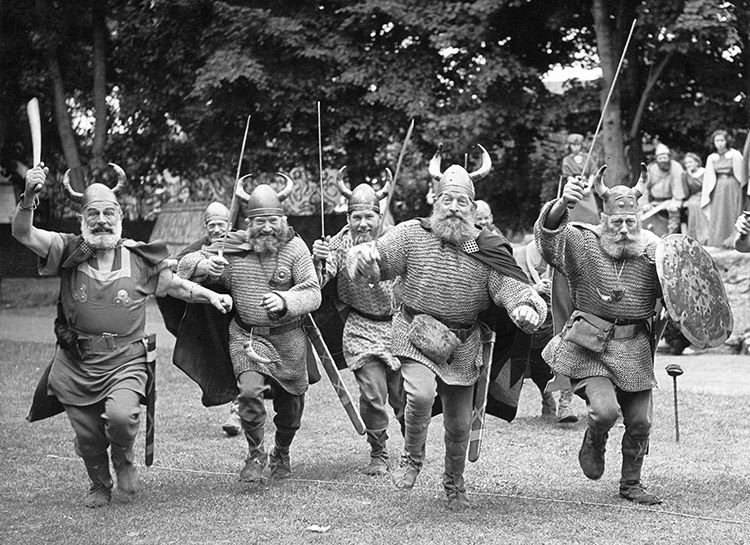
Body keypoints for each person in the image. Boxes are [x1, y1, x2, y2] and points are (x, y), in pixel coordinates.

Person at [13, 164, 233, 508]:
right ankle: (99, 485)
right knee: (87, 436)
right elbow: (24, 234)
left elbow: (175, 286)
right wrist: (28, 196)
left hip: (125, 360)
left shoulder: (139, 256)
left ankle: (123, 457)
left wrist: (210, 295)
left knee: (121, 417)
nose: (101, 220)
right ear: (82, 218)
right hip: (77, 362)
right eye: (93, 213)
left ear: (121, 216)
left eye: (108, 212)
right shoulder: (68, 250)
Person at [349, 145, 546, 510]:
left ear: (473, 209)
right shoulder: (410, 234)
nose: (454, 207)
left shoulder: (486, 250)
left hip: (462, 344)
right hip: (415, 334)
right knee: (420, 395)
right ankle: (412, 458)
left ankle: (454, 483)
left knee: (458, 425)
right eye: (447, 199)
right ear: (435, 202)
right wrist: (365, 259)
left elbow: (511, 287)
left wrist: (525, 307)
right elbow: (379, 263)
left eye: (462, 202)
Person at [177, 174, 321, 483]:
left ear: (283, 219)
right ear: (248, 222)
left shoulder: (296, 248)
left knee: (291, 406)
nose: (267, 228)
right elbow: (183, 266)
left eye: (273, 220)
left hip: (289, 340)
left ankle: (281, 451)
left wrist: (285, 301)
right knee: (250, 392)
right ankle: (255, 453)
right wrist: (205, 267)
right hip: (248, 338)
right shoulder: (232, 248)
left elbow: (313, 291)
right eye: (260, 221)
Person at [535, 165, 664, 505]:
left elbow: (679, 293)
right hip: (591, 347)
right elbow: (550, 241)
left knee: (640, 420)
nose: (623, 229)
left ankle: (631, 484)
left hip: (634, 346)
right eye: (616, 222)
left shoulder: (654, 255)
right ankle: (594, 439)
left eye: (630, 222)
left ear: (639, 220)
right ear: (605, 220)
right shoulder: (585, 244)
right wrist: (563, 204)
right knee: (605, 412)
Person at [311, 168, 404, 476]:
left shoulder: (397, 239)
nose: (363, 224)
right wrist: (318, 259)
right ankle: (379, 453)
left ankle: (412, 447)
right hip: (361, 329)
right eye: (356, 217)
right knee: (373, 392)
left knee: (404, 397)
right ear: (348, 217)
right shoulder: (337, 244)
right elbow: (320, 280)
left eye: (369, 217)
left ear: (379, 215)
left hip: (400, 329)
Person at [167, 201, 243, 436]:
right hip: (211, 318)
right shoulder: (198, 248)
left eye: (222, 224)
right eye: (212, 224)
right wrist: (202, 264)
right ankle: (240, 405)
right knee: (223, 361)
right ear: (205, 226)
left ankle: (239, 411)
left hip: (243, 315)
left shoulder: (242, 242)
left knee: (244, 359)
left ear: (230, 224)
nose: (218, 229)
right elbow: (179, 267)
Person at [513, 240, 578, 423]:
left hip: (565, 317)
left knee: (569, 358)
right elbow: (512, 286)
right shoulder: (522, 255)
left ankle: (565, 405)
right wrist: (535, 288)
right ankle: (547, 400)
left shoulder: (570, 252)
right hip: (535, 320)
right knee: (538, 366)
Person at [701, 129, 745, 247]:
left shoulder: (735, 155)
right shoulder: (712, 157)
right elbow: (709, 177)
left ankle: (733, 241)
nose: (719, 143)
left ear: (727, 141)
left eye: (722, 140)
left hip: (732, 187)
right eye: (717, 140)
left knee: (732, 211)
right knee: (719, 213)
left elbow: (742, 174)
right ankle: (718, 241)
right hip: (718, 188)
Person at [642, 143, 685, 235]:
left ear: (669, 158)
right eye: (660, 158)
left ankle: (670, 235)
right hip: (654, 202)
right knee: (643, 216)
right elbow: (645, 188)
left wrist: (675, 201)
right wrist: (645, 203)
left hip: (672, 200)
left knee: (673, 210)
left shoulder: (676, 167)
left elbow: (679, 187)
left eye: (665, 158)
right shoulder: (651, 168)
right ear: (656, 159)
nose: (663, 161)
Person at [561, 133, 600, 224]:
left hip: (586, 188)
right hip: (574, 188)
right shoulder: (567, 160)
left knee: (593, 213)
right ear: (569, 146)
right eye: (573, 145)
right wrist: (576, 185)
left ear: (581, 145)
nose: (576, 147)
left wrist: (589, 187)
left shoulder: (587, 157)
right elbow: (568, 177)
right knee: (572, 215)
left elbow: (592, 173)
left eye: (578, 145)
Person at [680, 152, 707, 244]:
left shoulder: (704, 172)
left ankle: (705, 236)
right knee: (692, 204)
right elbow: (686, 192)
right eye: (686, 163)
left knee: (700, 204)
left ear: (697, 162)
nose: (688, 165)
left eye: (690, 162)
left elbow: (708, 186)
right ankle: (694, 237)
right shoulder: (685, 175)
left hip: (705, 195)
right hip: (694, 196)